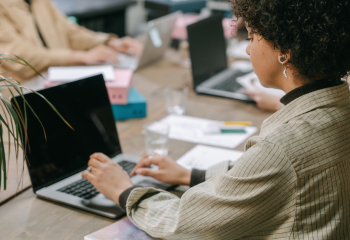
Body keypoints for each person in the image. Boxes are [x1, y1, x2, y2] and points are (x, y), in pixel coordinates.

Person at [82, 0, 350, 239]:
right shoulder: (340, 107)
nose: (247, 50)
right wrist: (191, 175)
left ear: (284, 52)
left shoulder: (282, 149)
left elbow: (186, 225)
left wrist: (125, 191)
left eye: (252, 37)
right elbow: (261, 174)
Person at [0, 0, 142, 81]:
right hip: (25, 94)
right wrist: (81, 57)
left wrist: (108, 42)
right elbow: (19, 57)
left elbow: (70, 33)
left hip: (57, 80)